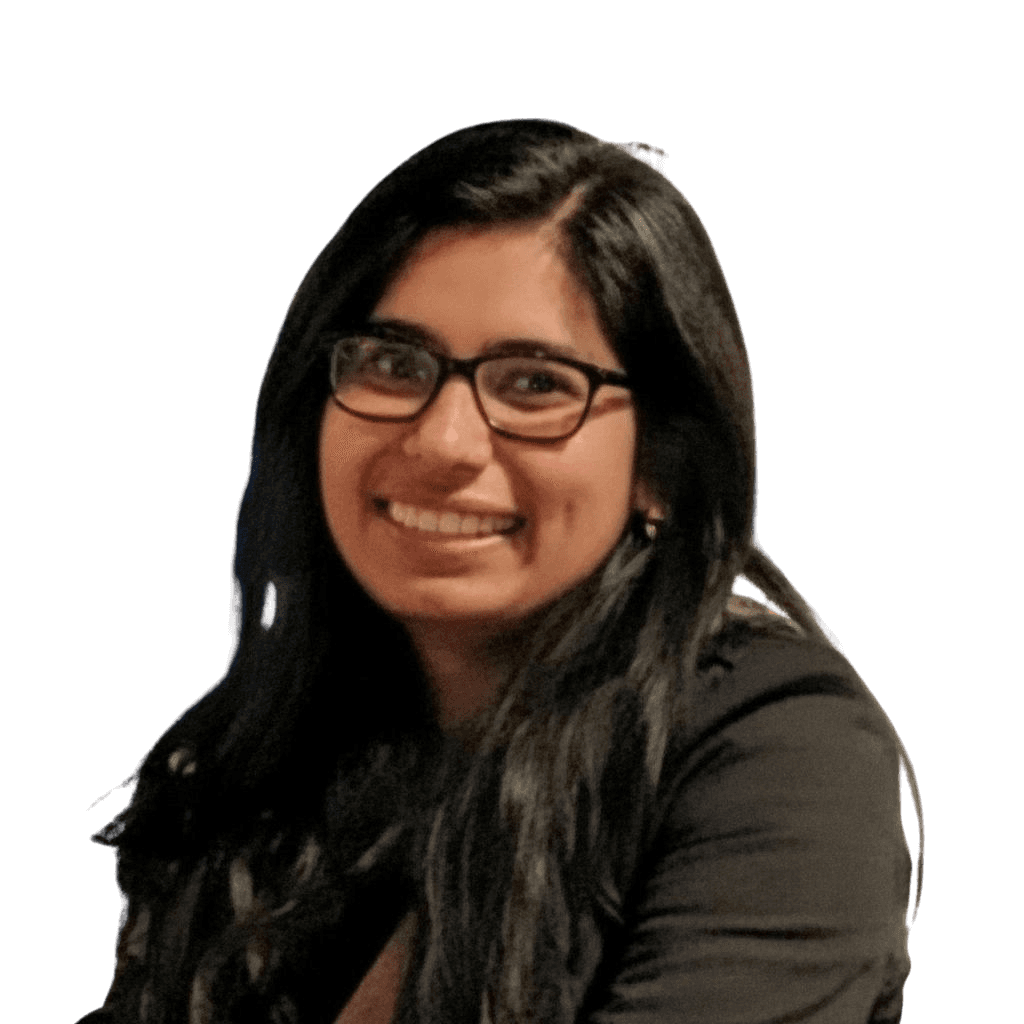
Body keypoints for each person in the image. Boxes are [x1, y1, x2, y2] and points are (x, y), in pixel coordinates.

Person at [78, 118, 923, 1024]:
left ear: (662, 468)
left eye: (535, 384)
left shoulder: (779, 754)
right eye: (393, 363)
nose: (443, 441)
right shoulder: (269, 773)